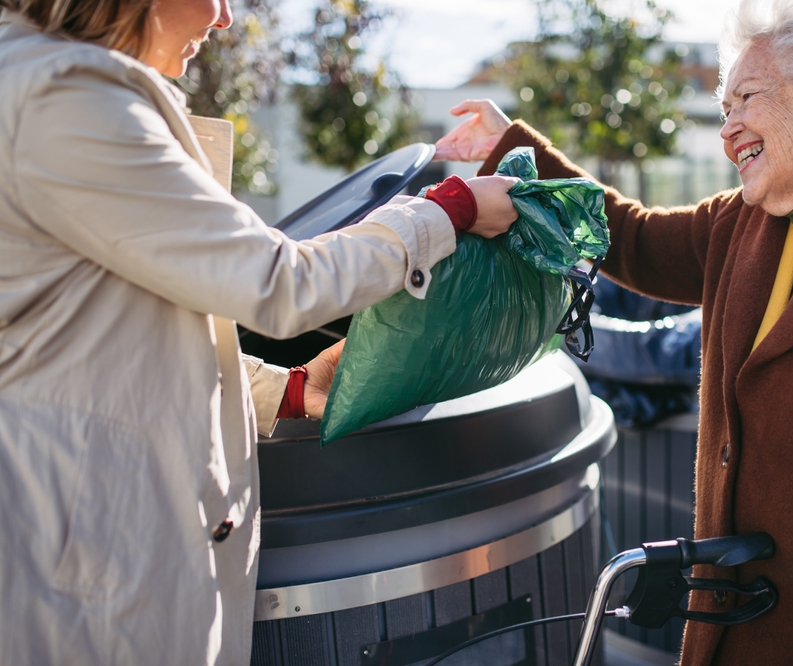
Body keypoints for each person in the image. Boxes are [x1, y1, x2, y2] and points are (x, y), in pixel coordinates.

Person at [437, 0, 793, 664]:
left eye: (746, 100)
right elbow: (634, 237)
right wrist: (514, 150)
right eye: (723, 108)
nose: (726, 130)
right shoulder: (745, 221)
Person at [0, 0, 519, 664]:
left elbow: (110, 328)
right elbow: (277, 285)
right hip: (80, 548)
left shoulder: (36, 79)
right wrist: (451, 208)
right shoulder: (62, 95)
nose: (222, 18)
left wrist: (291, 389)